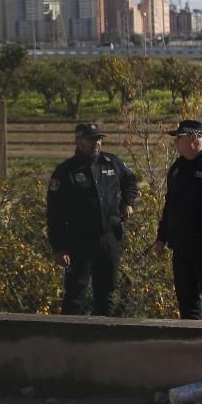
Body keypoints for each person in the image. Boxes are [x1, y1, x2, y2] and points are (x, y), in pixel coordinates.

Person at [46, 123, 138, 316]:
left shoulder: (112, 162)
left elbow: (130, 181)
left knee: (106, 294)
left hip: (109, 238)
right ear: (78, 142)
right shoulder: (66, 171)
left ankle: (103, 340)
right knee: (75, 295)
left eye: (99, 138)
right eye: (91, 139)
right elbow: (54, 214)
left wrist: (127, 202)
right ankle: (72, 342)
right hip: (79, 242)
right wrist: (58, 247)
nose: (97, 143)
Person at [153, 119, 202, 320]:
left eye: (179, 138)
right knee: (187, 302)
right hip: (182, 247)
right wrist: (161, 237)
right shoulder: (177, 168)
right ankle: (192, 348)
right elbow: (170, 205)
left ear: (193, 138)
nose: (175, 143)